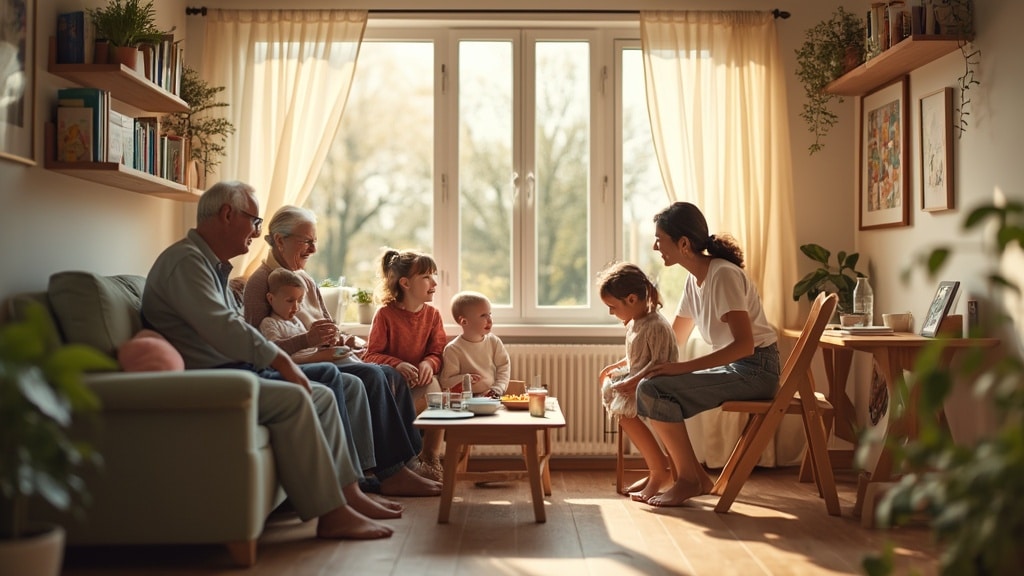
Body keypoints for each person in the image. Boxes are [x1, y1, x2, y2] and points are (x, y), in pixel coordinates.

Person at [140, 180, 398, 539]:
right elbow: (226, 329)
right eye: (254, 221)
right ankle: (335, 511)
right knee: (310, 393)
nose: (256, 232)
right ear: (228, 214)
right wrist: (283, 363)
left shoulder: (207, 264)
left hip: (232, 369)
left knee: (325, 387)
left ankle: (348, 494)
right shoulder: (186, 262)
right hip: (215, 377)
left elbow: (233, 329)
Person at [243, 206, 440, 496]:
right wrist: (308, 340)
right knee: (376, 376)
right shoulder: (261, 282)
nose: (314, 248)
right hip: (301, 361)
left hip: (328, 354)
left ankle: (407, 464)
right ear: (280, 240)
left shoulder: (305, 279)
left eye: (315, 241)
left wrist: (345, 340)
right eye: (306, 241)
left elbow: (329, 325)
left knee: (390, 375)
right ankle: (394, 472)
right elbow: (259, 347)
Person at [630, 202, 780, 507]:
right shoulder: (693, 280)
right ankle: (693, 476)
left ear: (683, 243)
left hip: (756, 370)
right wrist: (631, 369)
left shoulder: (722, 276)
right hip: (741, 368)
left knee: (653, 390)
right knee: (648, 388)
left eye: (660, 239)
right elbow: (674, 340)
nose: (655, 246)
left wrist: (680, 370)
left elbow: (744, 345)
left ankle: (688, 479)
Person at [362, 249, 447, 481]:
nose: (434, 282)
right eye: (427, 277)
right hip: (393, 389)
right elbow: (371, 355)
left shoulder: (433, 316)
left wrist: (430, 363)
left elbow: (437, 351)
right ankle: (404, 465)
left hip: (422, 384)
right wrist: (397, 364)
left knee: (437, 398)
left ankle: (431, 458)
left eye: (434, 275)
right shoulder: (384, 315)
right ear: (405, 283)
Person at [596, 262, 679, 496]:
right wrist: (617, 367)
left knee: (623, 410)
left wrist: (632, 382)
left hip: (657, 383)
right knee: (615, 399)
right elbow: (637, 356)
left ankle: (659, 470)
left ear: (631, 299)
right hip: (642, 378)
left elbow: (659, 363)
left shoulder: (655, 326)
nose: (611, 312)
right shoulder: (635, 322)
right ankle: (657, 468)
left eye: (612, 306)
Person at [440, 291, 510, 399]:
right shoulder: (453, 349)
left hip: (491, 397)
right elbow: (446, 382)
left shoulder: (494, 342)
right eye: (483, 315)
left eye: (489, 314)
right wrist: (465, 379)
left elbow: (504, 366)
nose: (489, 320)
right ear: (464, 322)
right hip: (463, 400)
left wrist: (497, 389)